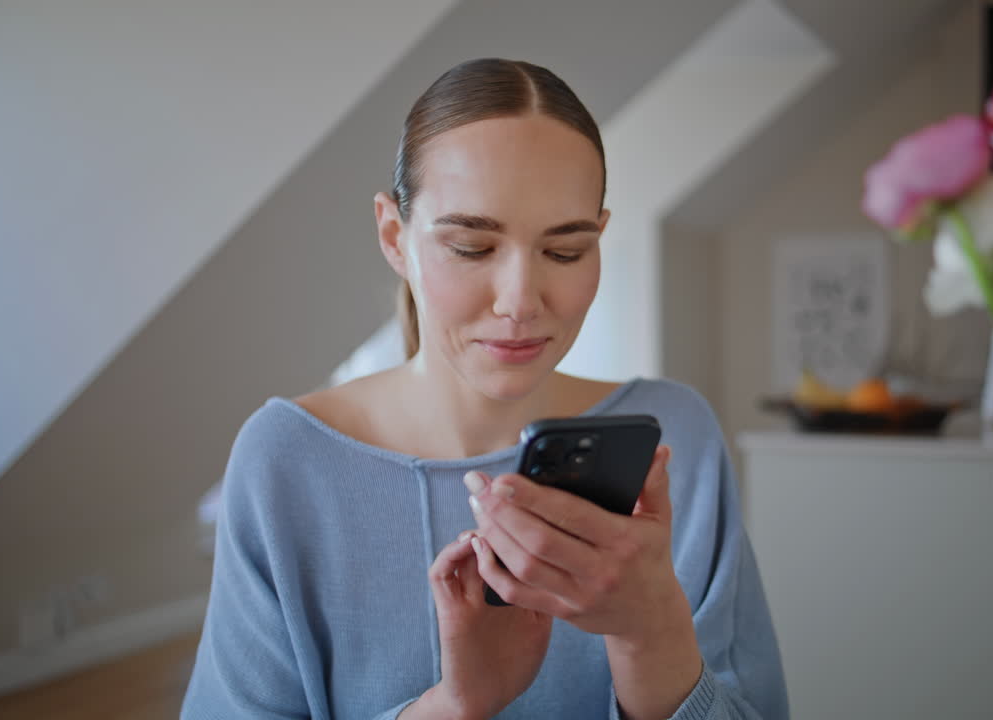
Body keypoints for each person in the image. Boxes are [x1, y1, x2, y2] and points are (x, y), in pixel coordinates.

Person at [181, 58, 788, 720]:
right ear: (395, 237)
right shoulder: (287, 461)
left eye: (565, 251)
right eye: (472, 247)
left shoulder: (675, 437)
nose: (521, 302)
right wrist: (456, 705)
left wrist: (651, 639)